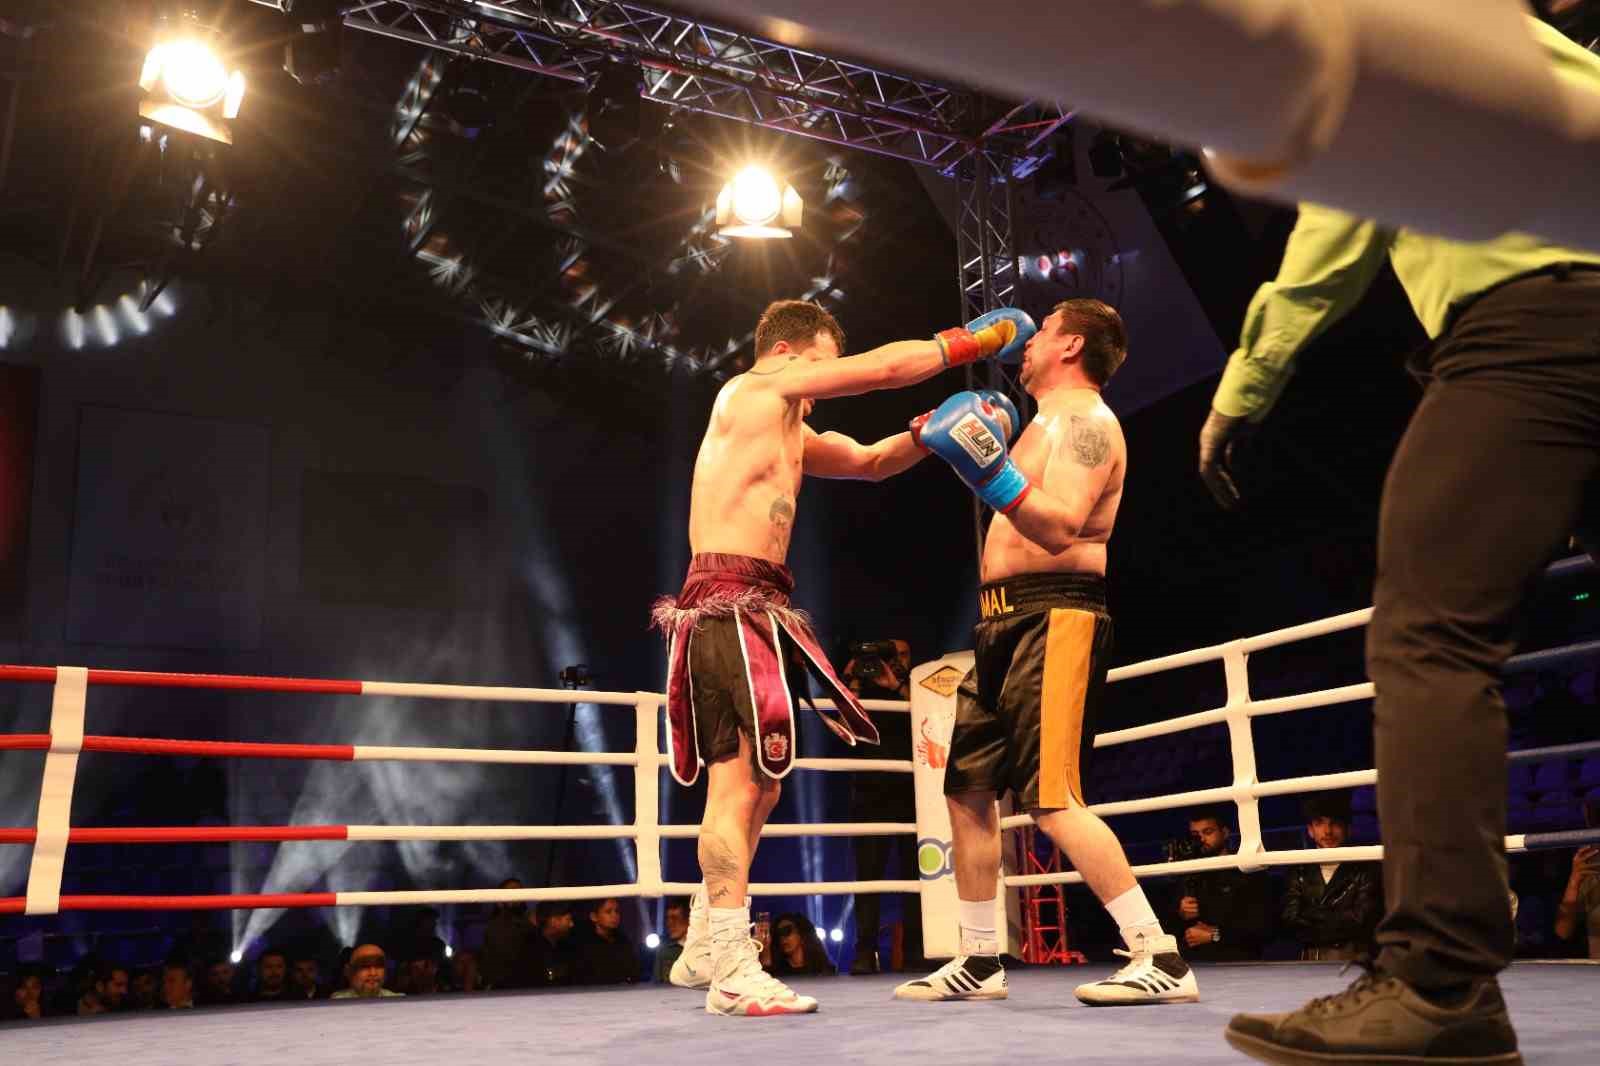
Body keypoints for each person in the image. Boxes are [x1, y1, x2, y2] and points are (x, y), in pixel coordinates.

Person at [1199, 22, 1600, 1064]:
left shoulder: (1382, 30)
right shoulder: (1539, 48)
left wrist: (1244, 387)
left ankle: (1440, 980)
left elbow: (1334, 227)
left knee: (1429, 637)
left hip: (1531, 326)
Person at [652, 298, 1033, 1016]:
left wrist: (928, 434)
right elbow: (881, 371)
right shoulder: (757, 389)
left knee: (762, 786)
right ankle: (732, 967)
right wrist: (972, 342)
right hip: (729, 601)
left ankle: (706, 938)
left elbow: (869, 462)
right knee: (738, 788)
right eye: (823, 366)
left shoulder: (789, 429)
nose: (825, 383)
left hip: (759, 605)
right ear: (790, 353)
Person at [897, 299, 1198, 1006]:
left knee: (1052, 799)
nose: (1025, 343)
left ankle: (1159, 954)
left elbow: (1060, 526)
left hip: (1055, 615)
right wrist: (964, 452)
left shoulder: (1089, 424)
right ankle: (979, 959)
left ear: (1071, 344)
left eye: (1044, 330)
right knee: (968, 791)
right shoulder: (1041, 424)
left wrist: (983, 467)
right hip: (998, 624)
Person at [841, 639, 922, 974]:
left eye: (902, 654)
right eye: (890, 656)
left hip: (911, 794)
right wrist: (853, 681)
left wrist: (898, 685)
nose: (895, 661)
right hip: (870, 792)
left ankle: (918, 951)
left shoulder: (918, 685)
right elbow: (844, 728)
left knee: (915, 876)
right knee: (868, 876)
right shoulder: (865, 688)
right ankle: (865, 951)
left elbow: (932, 717)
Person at [1281, 792, 1382, 962]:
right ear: (1310, 830)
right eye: (1319, 823)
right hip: (1310, 961)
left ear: (1348, 829)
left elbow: (1363, 919)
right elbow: (1290, 919)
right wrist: (1336, 917)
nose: (1327, 831)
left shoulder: (1367, 867)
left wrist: (1313, 917)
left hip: (1354, 960)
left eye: (1335, 823)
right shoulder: (1298, 869)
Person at [1171, 808, 1273, 963]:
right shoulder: (1188, 872)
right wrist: (1181, 913)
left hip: (1239, 962)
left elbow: (1264, 927)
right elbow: (1171, 929)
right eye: (1195, 835)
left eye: (1208, 832)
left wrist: (1216, 934)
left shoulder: (1247, 870)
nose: (1201, 839)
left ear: (1224, 833)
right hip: (1196, 963)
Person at [574, 897, 639, 985]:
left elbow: (633, 971)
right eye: (608, 912)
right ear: (594, 917)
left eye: (617, 911)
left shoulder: (623, 940)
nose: (614, 916)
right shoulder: (584, 944)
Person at [763, 913, 837, 978]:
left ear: (801, 934)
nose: (782, 938)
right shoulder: (777, 973)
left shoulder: (824, 970)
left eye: (786, 931)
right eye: (778, 934)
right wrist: (765, 953)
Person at [527, 901, 576, 987]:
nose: (571, 924)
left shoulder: (565, 946)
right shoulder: (531, 950)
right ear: (553, 921)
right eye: (568, 919)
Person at [330, 944, 402, 999]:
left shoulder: (398, 1000)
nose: (373, 973)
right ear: (348, 971)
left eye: (379, 966)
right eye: (364, 966)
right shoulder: (336, 1002)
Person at [653, 897, 691, 983]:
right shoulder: (664, 950)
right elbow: (657, 984)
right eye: (668, 918)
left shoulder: (703, 948)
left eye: (675, 918)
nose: (669, 923)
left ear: (689, 918)